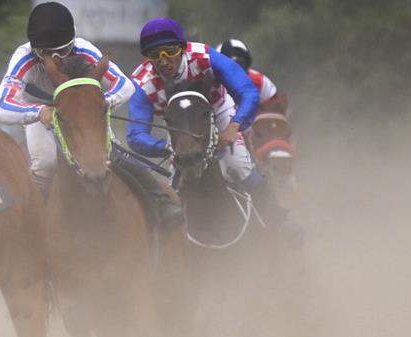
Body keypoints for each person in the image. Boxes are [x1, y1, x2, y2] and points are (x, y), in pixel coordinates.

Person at [0, 2, 182, 228]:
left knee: (113, 152)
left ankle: (160, 200)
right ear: (34, 49)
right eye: (45, 54)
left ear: (72, 44)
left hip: (83, 107)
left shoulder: (84, 49)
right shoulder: (23, 58)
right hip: (42, 108)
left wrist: (99, 104)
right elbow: (1, 108)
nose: (55, 61)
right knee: (45, 164)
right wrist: (39, 111)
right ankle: (33, 223)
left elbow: (125, 85)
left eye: (62, 52)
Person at [127, 18, 301, 245]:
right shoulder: (141, 83)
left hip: (218, 111)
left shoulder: (205, 57)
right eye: (154, 55)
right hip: (179, 124)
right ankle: (169, 242)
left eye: (170, 51)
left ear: (182, 47)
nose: (164, 61)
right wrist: (166, 147)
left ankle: (279, 221)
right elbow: (135, 134)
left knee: (238, 166)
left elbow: (247, 92)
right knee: (173, 185)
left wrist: (234, 126)